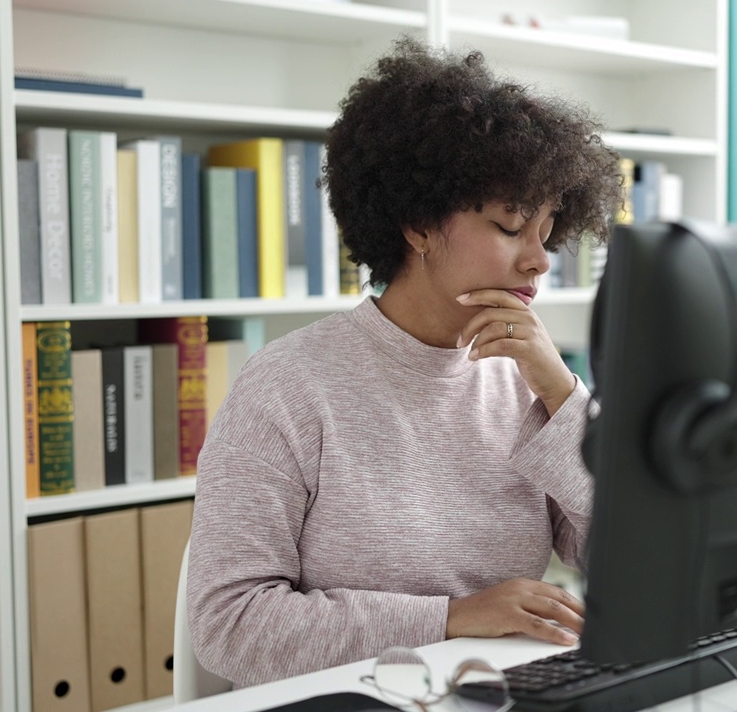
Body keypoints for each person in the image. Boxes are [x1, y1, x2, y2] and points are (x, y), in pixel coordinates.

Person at [187, 37, 624, 687]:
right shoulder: (288, 388)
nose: (539, 259)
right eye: (511, 228)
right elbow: (231, 626)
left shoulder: (530, 382)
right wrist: (448, 617)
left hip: (490, 695)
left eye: (547, 229)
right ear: (418, 223)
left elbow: (634, 561)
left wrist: (564, 398)